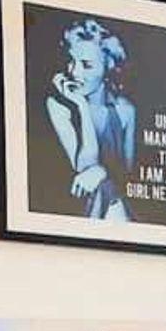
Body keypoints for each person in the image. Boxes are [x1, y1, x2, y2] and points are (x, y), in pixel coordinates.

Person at [45, 18, 136, 221]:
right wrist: (83, 108)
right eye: (71, 61)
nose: (74, 72)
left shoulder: (126, 111)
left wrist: (102, 172)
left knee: (106, 187)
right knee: (103, 187)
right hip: (74, 208)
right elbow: (84, 167)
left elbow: (129, 180)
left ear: (108, 66)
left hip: (115, 205)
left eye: (86, 65)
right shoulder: (57, 106)